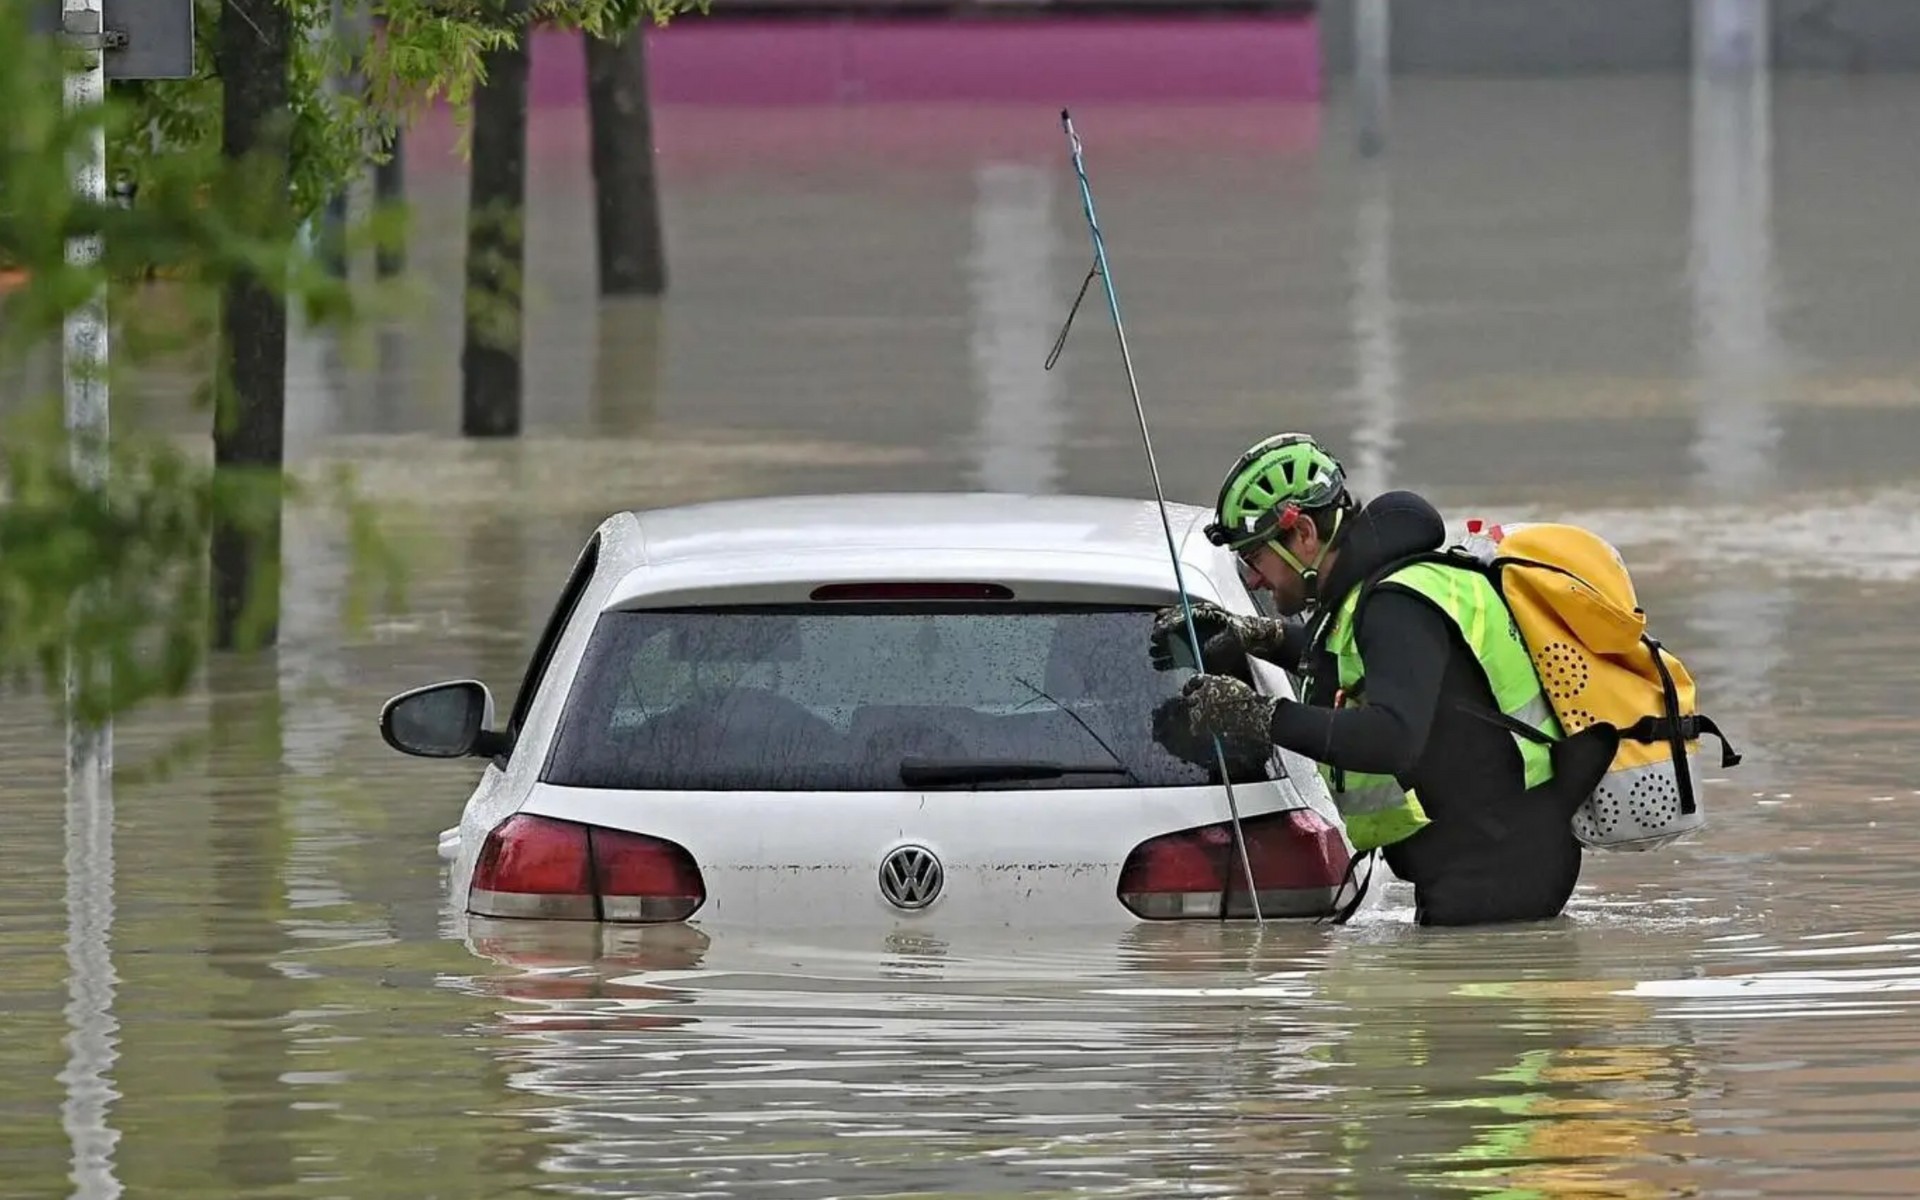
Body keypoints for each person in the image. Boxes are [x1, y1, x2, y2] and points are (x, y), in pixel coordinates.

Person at [1147, 432, 1601, 927]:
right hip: (1488, 854)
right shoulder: (1378, 593)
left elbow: (1391, 738)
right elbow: (1357, 666)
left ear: (1301, 534)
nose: (1253, 579)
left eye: (1254, 558)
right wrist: (1260, 636)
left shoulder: (1395, 604)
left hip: (1498, 868)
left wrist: (1259, 715)